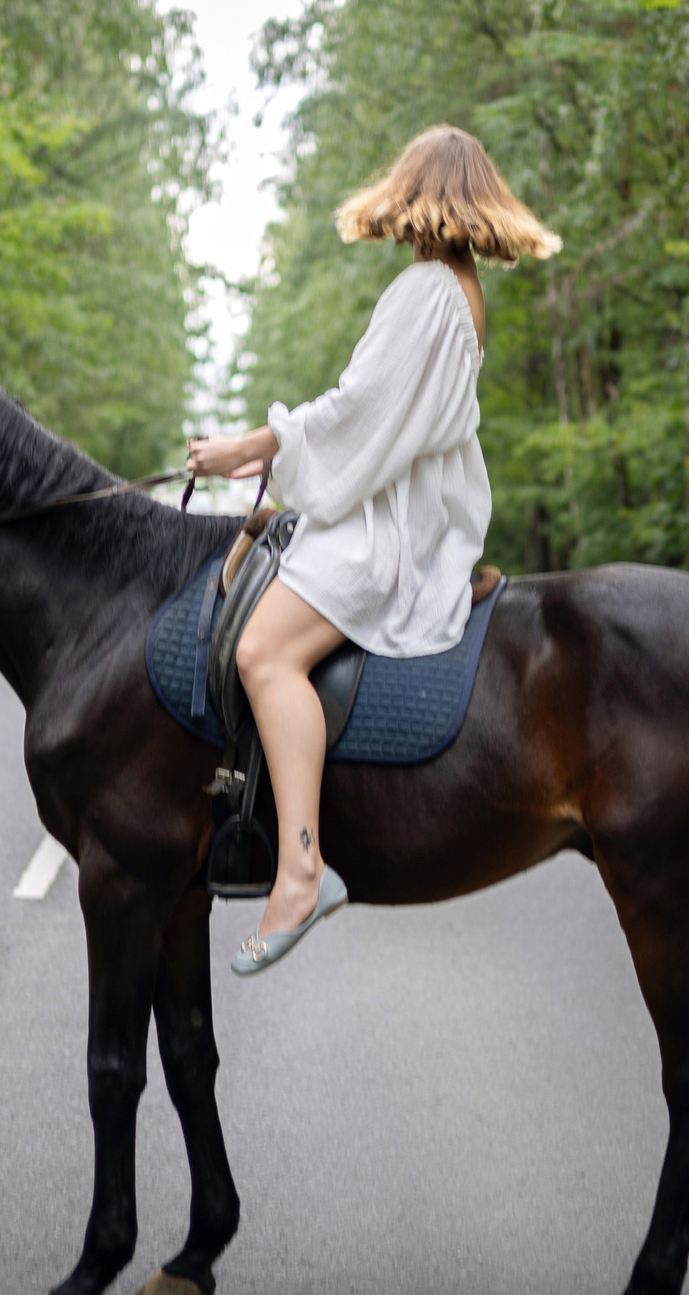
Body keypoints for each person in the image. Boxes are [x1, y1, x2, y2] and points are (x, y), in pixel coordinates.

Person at [186, 125, 561, 975]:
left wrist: (248, 449)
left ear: (416, 200)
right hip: (402, 510)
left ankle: (300, 868)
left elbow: (355, 415)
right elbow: (379, 426)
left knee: (262, 651)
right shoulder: (459, 293)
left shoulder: (428, 291)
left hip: (389, 530)